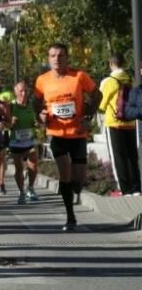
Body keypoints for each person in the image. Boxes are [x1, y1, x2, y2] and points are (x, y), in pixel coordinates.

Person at [34, 43, 98, 230]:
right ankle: (70, 216)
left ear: (67, 58)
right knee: (65, 172)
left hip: (77, 133)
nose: (57, 59)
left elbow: (97, 94)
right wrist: (40, 116)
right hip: (56, 133)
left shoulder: (78, 76)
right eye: (53, 56)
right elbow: (36, 102)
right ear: (48, 59)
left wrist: (88, 116)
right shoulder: (42, 80)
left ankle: (75, 189)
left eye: (61, 55)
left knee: (78, 181)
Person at [98, 52, 140, 196]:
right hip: (130, 122)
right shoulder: (131, 79)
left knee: (118, 157)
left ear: (111, 64)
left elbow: (101, 105)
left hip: (114, 123)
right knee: (132, 156)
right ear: (123, 63)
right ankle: (136, 188)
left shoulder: (109, 81)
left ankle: (124, 189)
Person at [8, 80, 40, 203]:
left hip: (30, 140)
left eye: (26, 90)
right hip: (16, 142)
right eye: (21, 91)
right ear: (15, 92)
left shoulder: (32, 105)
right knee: (19, 169)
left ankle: (30, 188)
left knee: (33, 165)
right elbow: (5, 125)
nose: (24, 93)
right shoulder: (11, 106)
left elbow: (38, 120)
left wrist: (37, 123)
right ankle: (21, 192)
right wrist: (10, 123)